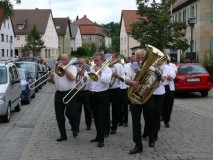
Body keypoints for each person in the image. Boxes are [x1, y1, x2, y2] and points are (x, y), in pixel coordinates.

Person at [125, 49, 156, 154]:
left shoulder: (151, 68)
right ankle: (138, 145)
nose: (140, 59)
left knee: (150, 119)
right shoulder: (131, 67)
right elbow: (126, 79)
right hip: (134, 97)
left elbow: (154, 82)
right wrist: (132, 83)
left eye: (142, 57)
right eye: (139, 57)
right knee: (135, 122)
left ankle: (151, 138)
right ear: (135, 57)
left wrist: (144, 87)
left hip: (147, 97)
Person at [48, 54, 78, 142]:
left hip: (69, 92)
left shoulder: (72, 68)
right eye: (61, 59)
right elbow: (50, 81)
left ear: (68, 61)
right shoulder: (57, 68)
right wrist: (52, 76)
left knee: (70, 113)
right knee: (59, 116)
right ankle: (63, 134)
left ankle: (74, 126)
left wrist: (64, 69)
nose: (62, 61)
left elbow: (72, 78)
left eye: (64, 59)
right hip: (58, 93)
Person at [88, 52, 112, 148]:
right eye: (94, 60)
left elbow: (107, 81)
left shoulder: (107, 69)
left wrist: (100, 72)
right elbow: (90, 82)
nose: (95, 62)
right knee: (95, 117)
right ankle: (98, 136)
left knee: (101, 118)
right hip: (92, 94)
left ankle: (101, 140)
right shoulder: (91, 68)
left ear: (102, 60)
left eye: (97, 60)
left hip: (103, 95)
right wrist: (85, 79)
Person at [107, 51, 125, 135]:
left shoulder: (119, 66)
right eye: (109, 58)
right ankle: (106, 126)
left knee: (115, 109)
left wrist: (117, 76)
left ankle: (114, 126)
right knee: (105, 109)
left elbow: (124, 79)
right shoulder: (105, 66)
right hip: (106, 90)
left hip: (116, 89)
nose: (111, 59)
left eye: (112, 58)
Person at [75, 58, 92, 131]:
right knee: (77, 110)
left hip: (86, 92)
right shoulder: (76, 70)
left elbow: (88, 80)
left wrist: (83, 76)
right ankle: (76, 126)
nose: (81, 65)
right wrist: (76, 79)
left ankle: (88, 124)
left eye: (82, 63)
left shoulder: (89, 70)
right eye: (80, 63)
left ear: (85, 63)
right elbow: (73, 81)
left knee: (87, 110)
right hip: (78, 92)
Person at [162, 56, 177, 128]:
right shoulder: (159, 67)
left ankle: (166, 120)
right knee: (162, 104)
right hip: (160, 87)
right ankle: (162, 117)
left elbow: (171, 78)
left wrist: (165, 74)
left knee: (169, 104)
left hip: (169, 87)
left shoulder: (171, 67)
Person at [118, 57, 132, 127]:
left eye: (122, 61)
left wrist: (125, 76)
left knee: (125, 104)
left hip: (125, 87)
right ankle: (120, 120)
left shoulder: (128, 67)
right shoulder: (117, 67)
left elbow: (129, 76)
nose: (121, 62)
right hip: (119, 87)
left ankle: (126, 121)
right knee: (119, 105)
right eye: (120, 61)